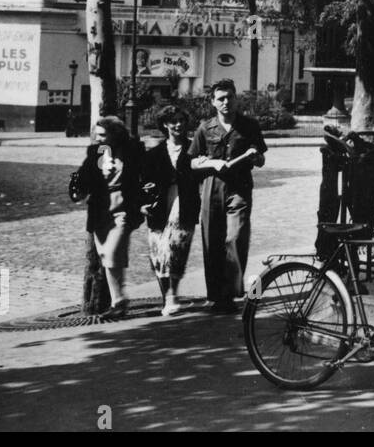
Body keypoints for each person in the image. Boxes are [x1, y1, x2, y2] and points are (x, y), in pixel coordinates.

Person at [190, 80, 267, 312]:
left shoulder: (249, 126)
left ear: (236, 98)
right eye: (221, 98)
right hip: (212, 186)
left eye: (229, 97)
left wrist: (255, 157)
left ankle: (231, 292)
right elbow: (193, 161)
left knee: (235, 237)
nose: (226, 102)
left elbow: (261, 160)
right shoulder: (205, 128)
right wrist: (211, 162)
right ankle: (215, 296)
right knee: (211, 240)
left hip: (240, 186)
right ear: (213, 102)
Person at [70, 116, 145, 319]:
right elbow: (81, 178)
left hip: (123, 206)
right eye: (96, 135)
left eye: (103, 135)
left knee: (112, 253)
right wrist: (77, 189)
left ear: (115, 134)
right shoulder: (95, 152)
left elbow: (143, 176)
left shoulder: (131, 151)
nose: (98, 138)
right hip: (100, 208)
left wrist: (144, 202)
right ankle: (118, 301)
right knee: (106, 257)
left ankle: (119, 299)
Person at [141, 105, 202, 316]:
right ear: (165, 124)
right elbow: (144, 182)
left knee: (175, 249)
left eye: (181, 121)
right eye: (173, 121)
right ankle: (166, 297)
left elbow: (202, 174)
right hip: (159, 206)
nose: (178, 125)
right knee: (158, 252)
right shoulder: (154, 153)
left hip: (184, 204)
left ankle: (172, 296)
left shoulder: (193, 148)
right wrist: (143, 203)